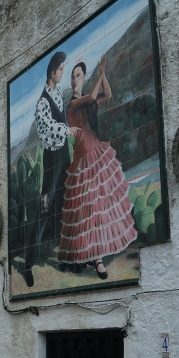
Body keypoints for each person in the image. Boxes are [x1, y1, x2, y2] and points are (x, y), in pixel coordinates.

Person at [57, 56, 137, 279]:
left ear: (83, 77)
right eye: (72, 77)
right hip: (82, 158)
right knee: (85, 210)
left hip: (96, 152)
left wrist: (103, 75)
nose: (74, 81)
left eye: (78, 76)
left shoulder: (87, 101)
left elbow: (107, 95)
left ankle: (98, 259)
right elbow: (93, 95)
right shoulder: (72, 103)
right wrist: (101, 72)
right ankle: (93, 258)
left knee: (100, 205)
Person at [22, 51, 79, 287]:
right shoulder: (43, 102)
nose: (63, 73)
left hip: (64, 153)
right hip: (52, 156)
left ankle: (70, 254)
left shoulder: (57, 94)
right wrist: (68, 131)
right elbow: (46, 130)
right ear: (52, 71)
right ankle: (28, 263)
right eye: (61, 70)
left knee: (69, 200)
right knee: (45, 207)